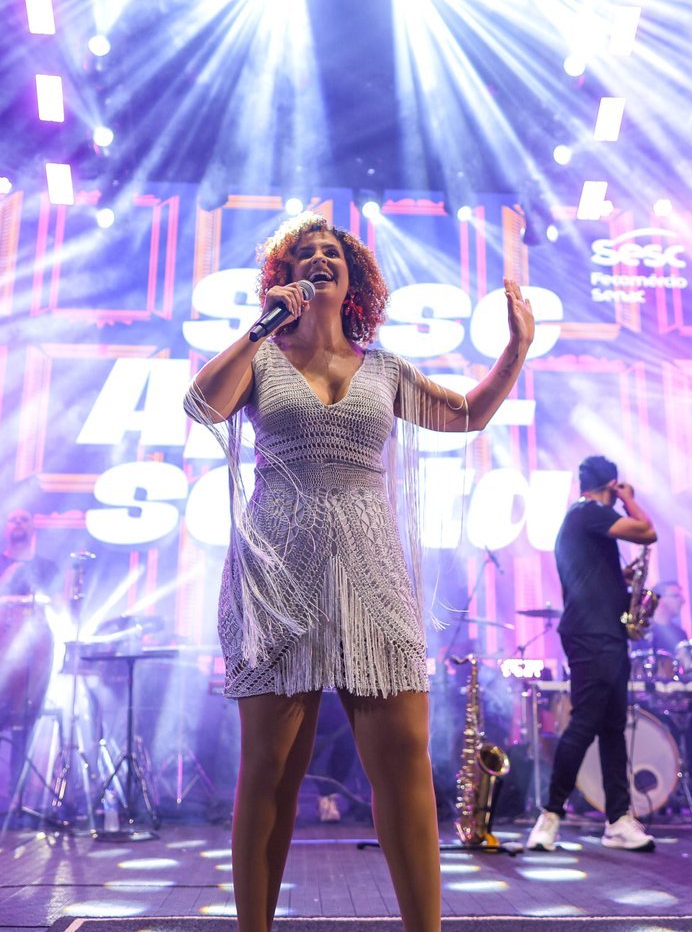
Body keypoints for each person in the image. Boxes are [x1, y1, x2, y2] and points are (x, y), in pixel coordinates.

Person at [185, 211, 534, 932]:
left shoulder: (385, 368)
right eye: (304, 255)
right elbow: (200, 404)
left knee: (404, 759)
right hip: (277, 573)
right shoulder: (262, 357)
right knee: (270, 770)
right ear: (284, 278)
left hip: (371, 570)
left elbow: (466, 415)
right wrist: (260, 328)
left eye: (332, 254)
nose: (319, 259)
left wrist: (516, 349)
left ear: (353, 282)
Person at [527, 456, 658, 852]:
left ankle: (618, 820)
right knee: (585, 722)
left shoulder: (586, 523)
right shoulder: (588, 512)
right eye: (616, 490)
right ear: (611, 486)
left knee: (612, 727)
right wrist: (629, 498)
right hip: (591, 635)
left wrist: (622, 580)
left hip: (607, 634)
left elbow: (591, 577)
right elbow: (647, 532)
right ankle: (550, 816)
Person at [0, 509, 60, 812]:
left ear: (33, 527)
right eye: (13, 519)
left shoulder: (47, 567)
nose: (18, 523)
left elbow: (59, 605)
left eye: (24, 519)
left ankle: (18, 793)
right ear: (6, 528)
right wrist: (4, 580)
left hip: (31, 657)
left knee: (24, 722)